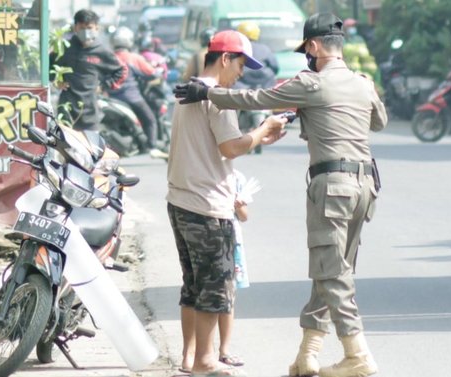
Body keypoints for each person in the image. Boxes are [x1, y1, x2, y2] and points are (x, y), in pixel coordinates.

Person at [173, 12, 387, 377]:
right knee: (331, 269)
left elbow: (257, 97)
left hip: (332, 188)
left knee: (332, 272)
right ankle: (308, 354)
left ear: (315, 47)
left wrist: (208, 92)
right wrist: (318, 113)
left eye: (307, 49)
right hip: (366, 187)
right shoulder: (363, 83)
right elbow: (377, 121)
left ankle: (358, 352)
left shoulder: (311, 83)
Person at [167, 29, 287, 376]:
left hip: (180, 200)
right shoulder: (220, 97)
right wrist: (264, 129)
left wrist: (262, 134)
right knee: (213, 288)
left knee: (191, 285)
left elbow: (216, 145)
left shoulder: (187, 90)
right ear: (224, 59)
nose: (241, 73)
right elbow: (230, 147)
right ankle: (206, 361)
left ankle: (189, 359)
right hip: (207, 206)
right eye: (239, 65)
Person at [49, 9, 127, 130]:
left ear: (97, 28)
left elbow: (122, 71)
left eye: (89, 27)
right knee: (65, 146)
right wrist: (56, 81)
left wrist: (103, 87)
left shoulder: (102, 51)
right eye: (82, 28)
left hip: (90, 111)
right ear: (75, 28)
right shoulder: (64, 47)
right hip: (66, 110)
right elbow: (48, 67)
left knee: (91, 147)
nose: (86, 32)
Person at [108, 26, 167, 155]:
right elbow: (150, 73)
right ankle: (152, 146)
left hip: (110, 97)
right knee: (150, 119)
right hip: (131, 97)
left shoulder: (109, 57)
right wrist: (158, 71)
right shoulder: (133, 57)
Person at [216, 169, 252, 368]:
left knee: (228, 298)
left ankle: (224, 350)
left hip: (232, 242)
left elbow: (245, 216)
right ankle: (201, 353)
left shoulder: (238, 177)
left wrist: (238, 206)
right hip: (210, 239)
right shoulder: (203, 171)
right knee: (209, 297)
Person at [234, 21, 279, 90]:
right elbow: (275, 68)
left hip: (239, 91)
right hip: (264, 90)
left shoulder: (234, 48)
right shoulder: (265, 49)